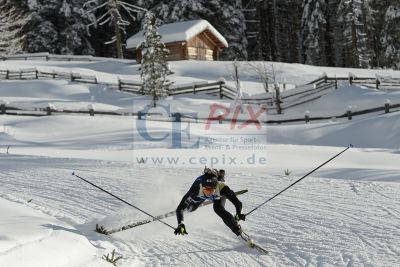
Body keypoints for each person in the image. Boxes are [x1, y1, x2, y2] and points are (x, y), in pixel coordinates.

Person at [174, 168, 246, 236]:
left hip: (217, 194)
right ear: (202, 187)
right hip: (200, 196)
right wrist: (180, 223)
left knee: (218, 209)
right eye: (207, 190)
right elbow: (180, 208)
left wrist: (239, 213)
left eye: (211, 190)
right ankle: (220, 175)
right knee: (191, 209)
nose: (209, 193)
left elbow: (238, 203)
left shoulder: (221, 186)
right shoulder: (196, 188)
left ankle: (236, 228)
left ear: (215, 187)